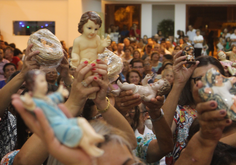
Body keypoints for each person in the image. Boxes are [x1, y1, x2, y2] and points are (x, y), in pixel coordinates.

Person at [162, 54, 226, 163]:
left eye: (213, 78)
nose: (207, 84)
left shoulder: (230, 112)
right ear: (190, 86)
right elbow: (160, 134)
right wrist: (178, 84)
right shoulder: (179, 112)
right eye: (200, 79)